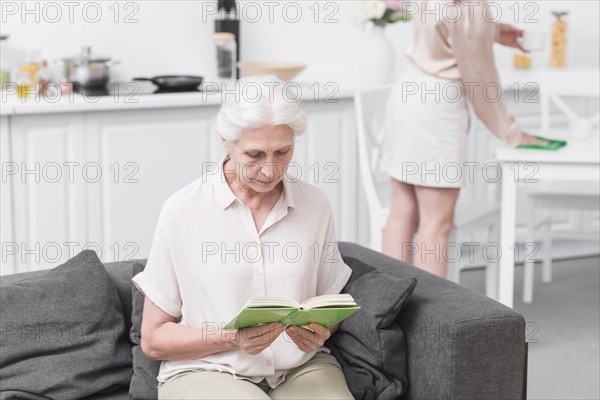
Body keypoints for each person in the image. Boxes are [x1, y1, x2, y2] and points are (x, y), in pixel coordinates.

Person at [132, 76, 354, 399]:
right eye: (254, 155)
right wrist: (232, 338)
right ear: (226, 142)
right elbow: (153, 339)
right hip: (209, 368)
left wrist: (320, 332)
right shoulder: (182, 211)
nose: (269, 170)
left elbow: (328, 302)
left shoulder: (315, 204)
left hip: (301, 368)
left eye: (282, 152)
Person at [381, 0, 548, 277]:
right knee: (436, 223)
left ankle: (384, 309)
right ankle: (428, 320)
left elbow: (441, 23)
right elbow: (481, 82)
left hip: (407, 95)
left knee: (402, 211)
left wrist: (491, 31)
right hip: (436, 111)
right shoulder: (472, 9)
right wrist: (511, 132)